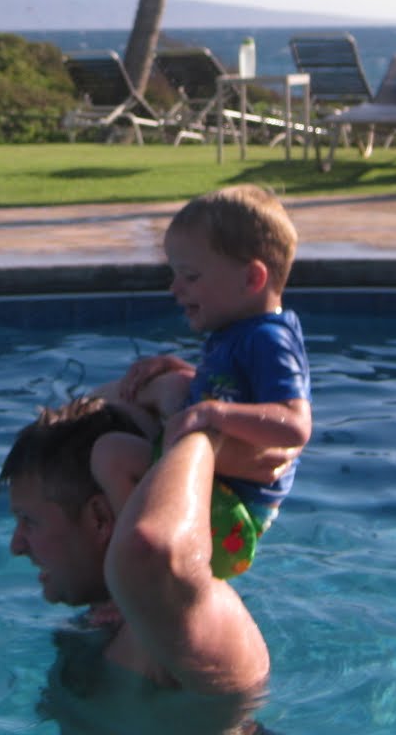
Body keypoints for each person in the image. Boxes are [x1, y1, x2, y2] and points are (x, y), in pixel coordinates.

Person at [1, 397, 273, 730]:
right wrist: (151, 391)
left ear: (99, 518)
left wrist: (200, 430)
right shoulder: (105, 623)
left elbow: (152, 550)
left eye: (29, 521)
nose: (16, 545)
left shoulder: (193, 622)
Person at [92, 185, 312, 578]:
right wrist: (175, 367)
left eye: (190, 276)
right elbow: (230, 389)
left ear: (252, 278)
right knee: (139, 410)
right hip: (220, 494)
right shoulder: (238, 330)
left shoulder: (268, 339)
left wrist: (212, 412)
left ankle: (135, 573)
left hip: (233, 514)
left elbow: (295, 424)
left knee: (112, 455)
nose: (175, 288)